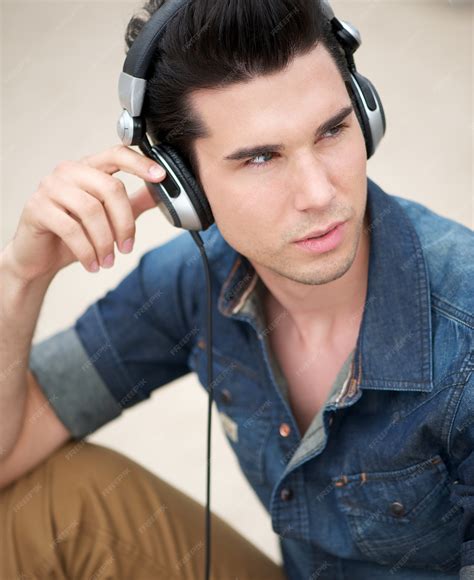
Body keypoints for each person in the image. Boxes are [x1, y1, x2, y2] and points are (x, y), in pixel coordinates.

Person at [1, 0, 473, 579]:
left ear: (365, 114)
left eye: (332, 130)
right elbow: (7, 450)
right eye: (260, 158)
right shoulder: (190, 281)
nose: (319, 193)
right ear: (183, 187)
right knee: (43, 502)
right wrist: (21, 276)